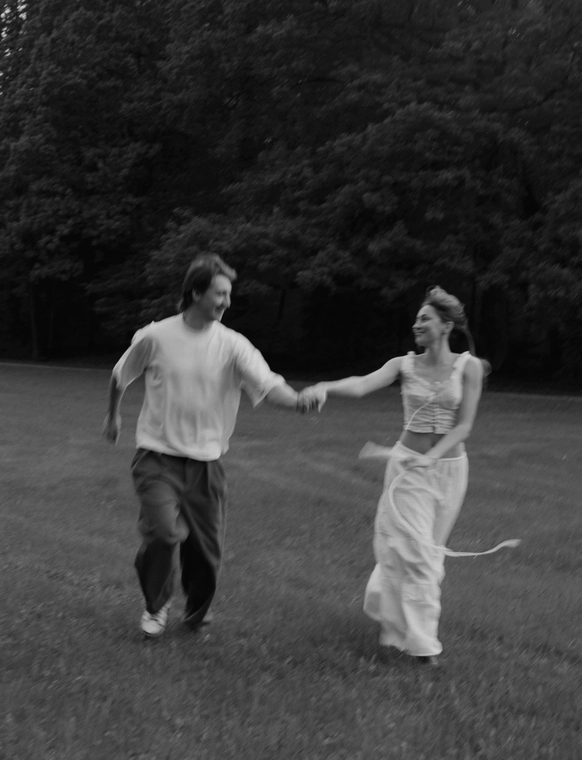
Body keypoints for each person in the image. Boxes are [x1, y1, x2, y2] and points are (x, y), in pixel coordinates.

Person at [103, 253, 318, 638]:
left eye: (228, 294)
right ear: (196, 292)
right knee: (164, 534)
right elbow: (120, 376)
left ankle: (195, 615)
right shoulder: (156, 337)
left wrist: (297, 401)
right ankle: (156, 605)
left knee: (206, 555)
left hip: (207, 465)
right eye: (220, 294)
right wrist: (113, 416)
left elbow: (268, 384)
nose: (227, 302)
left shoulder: (233, 345)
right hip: (157, 458)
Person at [301, 286, 518, 666]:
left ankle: (395, 617)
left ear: (445, 326)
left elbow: (464, 426)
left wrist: (431, 458)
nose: (416, 324)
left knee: (427, 551)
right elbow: (362, 383)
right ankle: (424, 646)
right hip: (407, 470)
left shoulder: (468, 367)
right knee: (417, 553)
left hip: (449, 471)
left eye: (425, 319)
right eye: (416, 318)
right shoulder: (403, 364)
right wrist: (325, 387)